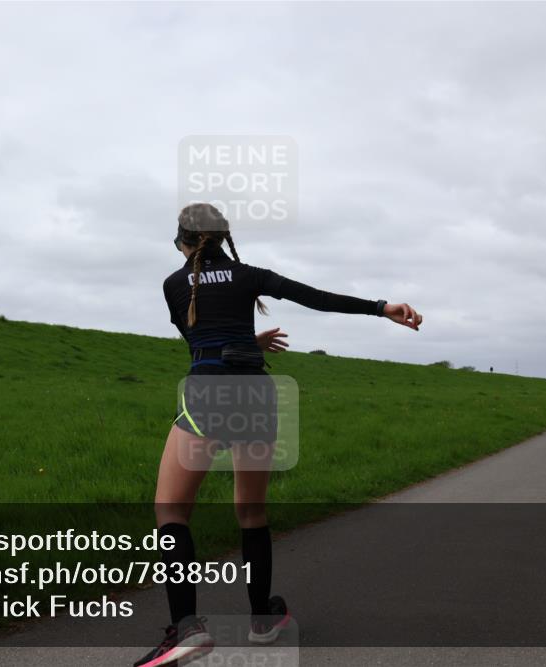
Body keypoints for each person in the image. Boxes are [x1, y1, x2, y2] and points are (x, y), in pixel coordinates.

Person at [134, 203, 423, 667]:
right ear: (225, 238)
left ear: (183, 242)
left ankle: (186, 627)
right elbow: (314, 296)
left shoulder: (173, 285)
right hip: (256, 393)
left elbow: (202, 345)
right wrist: (381, 308)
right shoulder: (249, 275)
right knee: (251, 513)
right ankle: (263, 622)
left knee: (171, 511)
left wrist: (242, 343)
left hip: (208, 393)